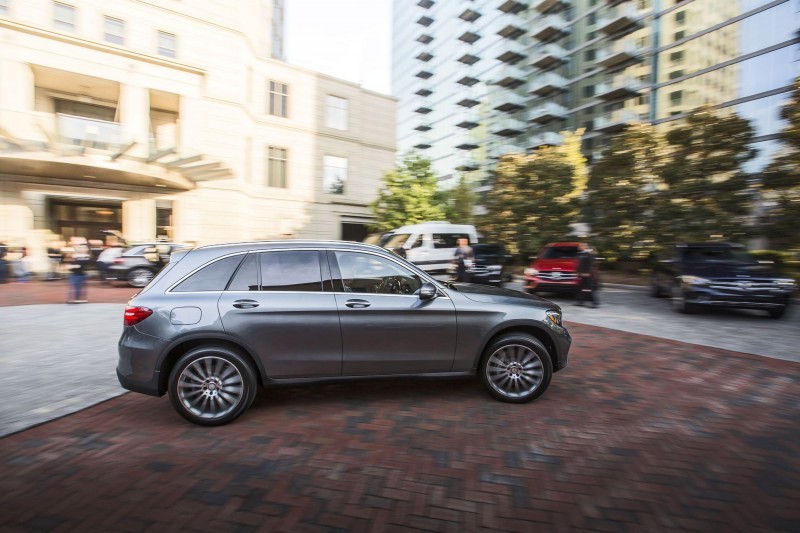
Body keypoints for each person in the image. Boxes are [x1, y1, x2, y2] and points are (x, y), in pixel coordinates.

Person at [575, 244, 599, 308]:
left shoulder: (589, 254)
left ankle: (594, 303)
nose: (579, 247)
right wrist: (578, 272)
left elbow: (592, 264)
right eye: (579, 246)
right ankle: (580, 302)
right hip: (582, 274)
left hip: (588, 275)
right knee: (581, 289)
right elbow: (579, 264)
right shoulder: (581, 254)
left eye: (581, 246)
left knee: (589, 289)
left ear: (585, 247)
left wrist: (588, 273)